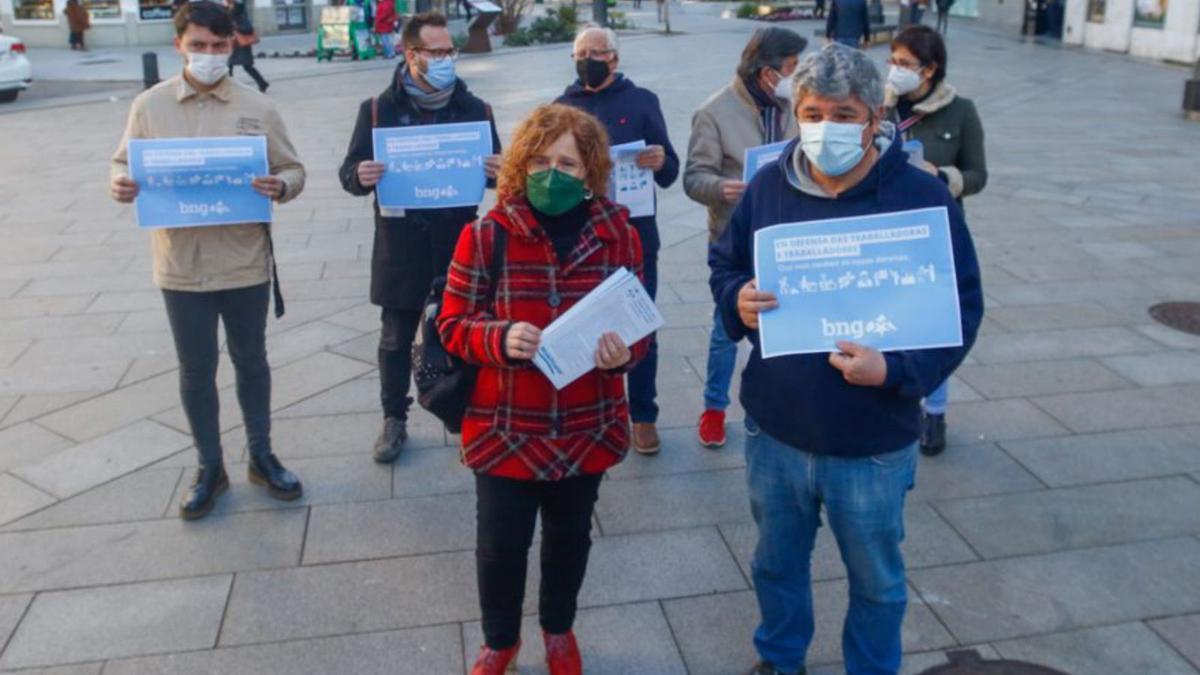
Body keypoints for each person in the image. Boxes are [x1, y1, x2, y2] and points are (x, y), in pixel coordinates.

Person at [709, 44, 983, 675]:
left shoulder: (920, 198)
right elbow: (726, 261)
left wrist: (896, 372)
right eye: (811, 111)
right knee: (776, 564)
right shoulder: (771, 184)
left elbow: (960, 309)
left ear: (876, 114)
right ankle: (780, 659)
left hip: (873, 441)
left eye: (843, 113)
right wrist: (737, 300)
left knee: (878, 581)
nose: (825, 127)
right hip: (777, 430)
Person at [439, 103, 651, 675]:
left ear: (590, 173)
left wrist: (622, 356)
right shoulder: (486, 235)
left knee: (569, 539)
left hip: (586, 424)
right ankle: (500, 640)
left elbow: (638, 326)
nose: (551, 174)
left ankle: (558, 630)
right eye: (540, 160)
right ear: (520, 165)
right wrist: (499, 337)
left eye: (568, 163)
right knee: (500, 547)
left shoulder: (619, 235)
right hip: (506, 425)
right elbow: (453, 324)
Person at [109, 1, 307, 520]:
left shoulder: (257, 106)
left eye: (219, 47)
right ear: (179, 46)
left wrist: (281, 184)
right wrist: (120, 183)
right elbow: (122, 162)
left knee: (252, 361)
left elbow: (293, 168)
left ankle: (262, 456)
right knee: (196, 370)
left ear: (232, 47)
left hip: (243, 261)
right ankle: (209, 466)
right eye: (199, 46)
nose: (210, 55)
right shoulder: (149, 106)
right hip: (181, 265)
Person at [338, 11, 502, 464]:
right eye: (437, 52)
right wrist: (360, 174)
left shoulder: (475, 109)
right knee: (395, 338)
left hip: (459, 243)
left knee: (464, 333)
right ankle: (394, 418)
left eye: (450, 50)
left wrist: (500, 171)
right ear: (411, 55)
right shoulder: (377, 109)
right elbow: (349, 173)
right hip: (401, 244)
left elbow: (498, 174)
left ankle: (465, 415)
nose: (447, 58)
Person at [556, 25, 679, 456]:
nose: (588, 59)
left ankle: (643, 415)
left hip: (636, 233)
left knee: (640, 326)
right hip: (582, 235)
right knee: (582, 325)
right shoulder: (562, 108)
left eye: (597, 52)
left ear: (614, 59)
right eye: (581, 53)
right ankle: (589, 413)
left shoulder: (643, 101)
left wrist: (661, 160)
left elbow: (669, 171)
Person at [683, 27, 806, 449]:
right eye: (791, 69)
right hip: (736, 235)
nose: (796, 76)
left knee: (787, 322)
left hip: (789, 231)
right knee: (726, 330)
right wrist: (721, 188)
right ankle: (714, 408)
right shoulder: (715, 111)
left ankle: (784, 402)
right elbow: (694, 177)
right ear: (767, 71)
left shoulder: (797, 105)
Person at [885, 25, 986, 456]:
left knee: (934, 322)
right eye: (893, 60)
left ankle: (936, 410)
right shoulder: (880, 106)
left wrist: (942, 177)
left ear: (931, 69)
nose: (895, 70)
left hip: (935, 232)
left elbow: (979, 175)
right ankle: (893, 395)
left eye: (905, 64)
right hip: (885, 230)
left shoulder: (960, 111)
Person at [226, 0, 268, 92]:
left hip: (241, 40)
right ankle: (228, 86)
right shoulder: (230, 6)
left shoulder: (238, 6)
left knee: (246, 65)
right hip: (235, 40)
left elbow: (236, 11)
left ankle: (262, 83)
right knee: (229, 64)